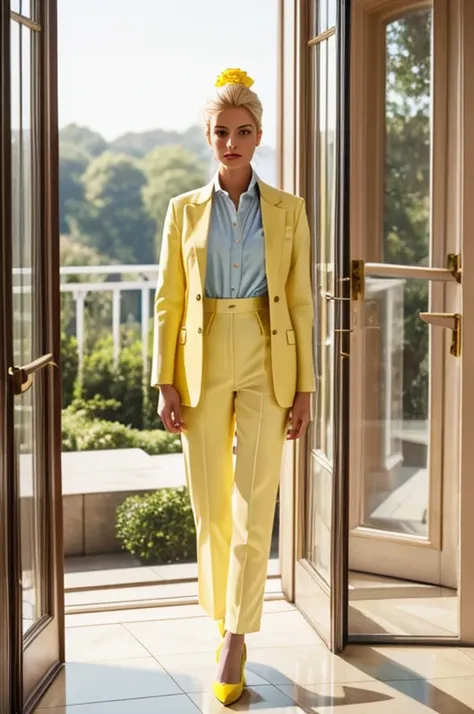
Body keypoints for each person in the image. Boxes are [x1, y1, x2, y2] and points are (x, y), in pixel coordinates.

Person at [151, 67, 315, 706]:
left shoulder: (289, 210)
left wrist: (305, 388)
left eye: (244, 131)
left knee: (256, 500)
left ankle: (238, 636)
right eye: (222, 132)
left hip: (268, 357)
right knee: (212, 504)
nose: (232, 142)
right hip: (201, 357)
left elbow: (300, 304)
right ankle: (223, 614)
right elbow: (168, 298)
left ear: (260, 135)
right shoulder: (183, 210)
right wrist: (164, 378)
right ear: (208, 137)